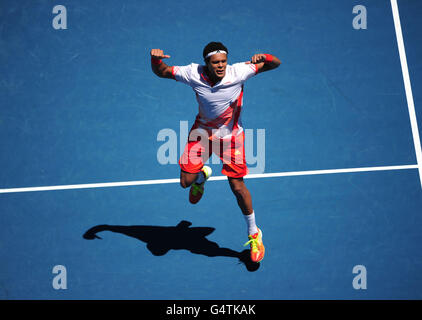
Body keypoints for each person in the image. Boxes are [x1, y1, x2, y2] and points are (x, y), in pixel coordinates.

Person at [150, 42, 280, 263]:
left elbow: (275, 63)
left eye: (223, 61)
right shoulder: (193, 73)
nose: (220, 66)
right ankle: (202, 176)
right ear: (206, 63)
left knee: (237, 186)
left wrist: (265, 57)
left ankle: (254, 233)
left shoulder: (239, 71)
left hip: (231, 139)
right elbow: (162, 72)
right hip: (201, 133)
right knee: (186, 181)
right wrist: (155, 59)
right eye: (215, 62)